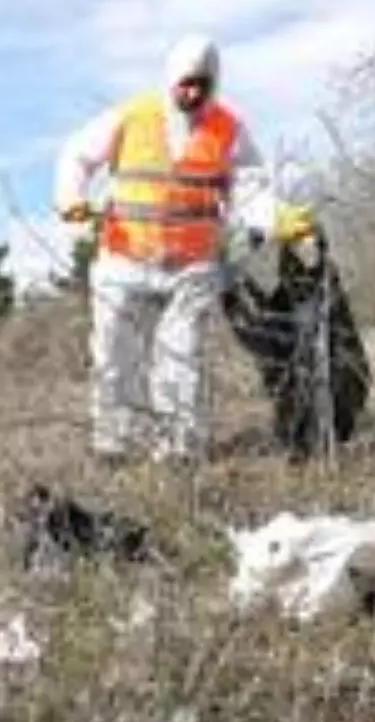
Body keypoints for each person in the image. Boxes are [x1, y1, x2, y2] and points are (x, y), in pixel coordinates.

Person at [52, 34, 315, 466]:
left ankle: (179, 454)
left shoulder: (228, 128)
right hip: (123, 259)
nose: (192, 93)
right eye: (185, 83)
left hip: (192, 267)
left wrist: (276, 218)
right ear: (171, 79)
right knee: (116, 356)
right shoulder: (133, 115)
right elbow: (76, 155)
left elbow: (250, 189)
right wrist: (70, 197)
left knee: (182, 360)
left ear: (214, 84)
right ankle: (115, 449)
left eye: (202, 85)